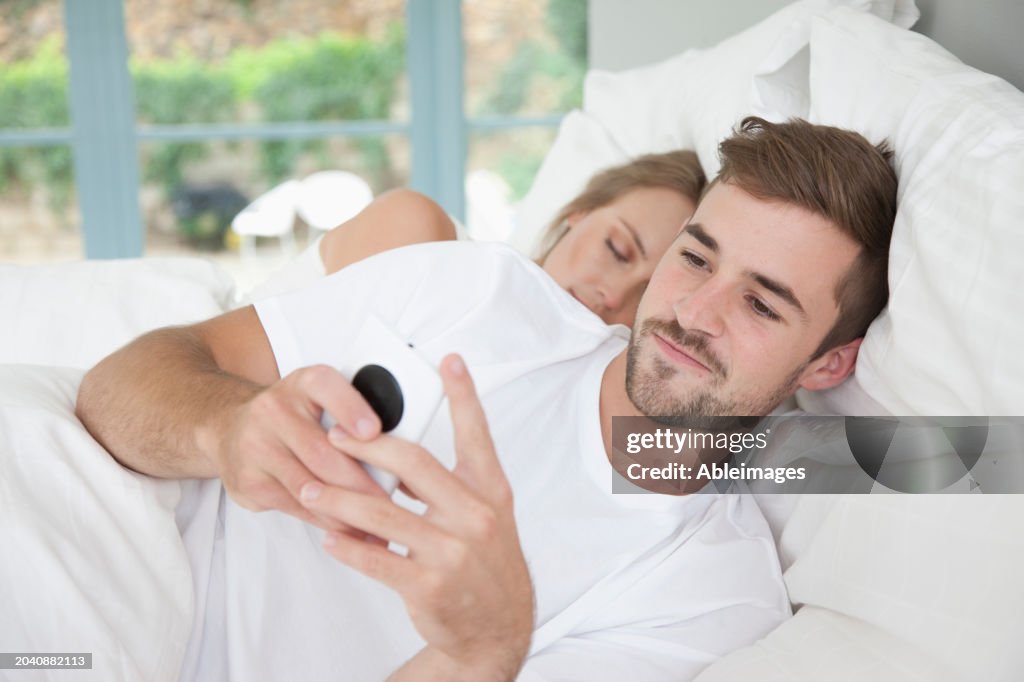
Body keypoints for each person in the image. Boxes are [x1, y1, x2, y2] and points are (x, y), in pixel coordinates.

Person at [76, 117, 897, 681]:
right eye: (695, 258)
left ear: (829, 364)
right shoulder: (477, 291)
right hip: (106, 575)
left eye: (761, 304)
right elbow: (117, 385)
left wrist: (481, 652)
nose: (693, 312)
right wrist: (223, 427)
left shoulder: (710, 593)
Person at [273, 150, 705, 328]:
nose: (615, 296)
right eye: (617, 250)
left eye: (648, 293)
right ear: (580, 212)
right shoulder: (418, 234)